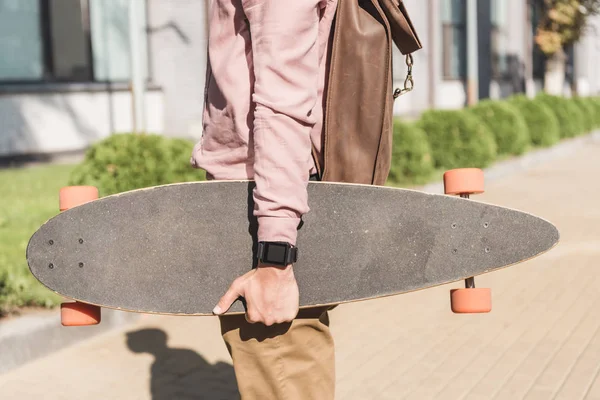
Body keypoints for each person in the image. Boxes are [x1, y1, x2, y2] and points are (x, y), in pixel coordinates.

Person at [191, 0, 338, 398]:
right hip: (271, 192)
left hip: (264, 200)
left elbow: (283, 103)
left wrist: (275, 257)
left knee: (283, 368)